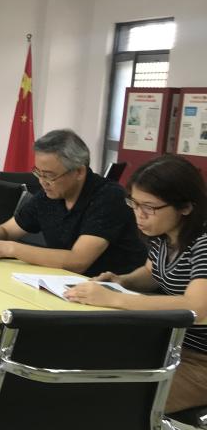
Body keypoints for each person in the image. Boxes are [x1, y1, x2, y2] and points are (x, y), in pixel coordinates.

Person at [64, 155, 207, 413]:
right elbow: (153, 273)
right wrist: (123, 281)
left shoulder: (203, 242)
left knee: (112, 398)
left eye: (149, 207)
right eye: (134, 203)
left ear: (186, 207)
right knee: (79, 365)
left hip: (200, 363)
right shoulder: (165, 234)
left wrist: (115, 298)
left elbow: (197, 308)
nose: (139, 215)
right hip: (170, 346)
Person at [0, 129, 146, 277]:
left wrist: (10, 248)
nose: (42, 182)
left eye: (49, 175)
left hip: (115, 292)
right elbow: (6, 230)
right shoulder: (48, 196)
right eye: (38, 173)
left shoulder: (108, 197)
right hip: (65, 285)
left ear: (79, 172)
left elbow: (78, 261)